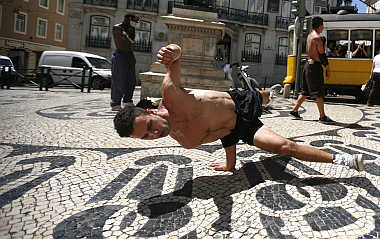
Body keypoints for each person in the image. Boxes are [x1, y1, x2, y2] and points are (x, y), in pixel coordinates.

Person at [113, 44, 365, 172]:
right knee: (284, 147)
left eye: (149, 127)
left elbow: (176, 60)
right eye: (146, 137)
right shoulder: (186, 141)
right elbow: (225, 133)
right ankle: (344, 160)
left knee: (260, 97)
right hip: (241, 126)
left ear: (151, 113)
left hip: (240, 100)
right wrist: (230, 165)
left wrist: (172, 51)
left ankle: (270, 95)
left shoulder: (171, 95)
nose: (153, 134)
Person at [289, 16, 334, 122]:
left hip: (307, 65)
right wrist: (327, 68)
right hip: (315, 67)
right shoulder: (317, 38)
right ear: (320, 25)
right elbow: (322, 55)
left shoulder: (310, 36)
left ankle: (294, 110)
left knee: (305, 91)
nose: (323, 27)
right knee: (319, 92)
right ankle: (322, 116)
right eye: (322, 25)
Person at [110, 14, 139, 111]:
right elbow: (125, 42)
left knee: (131, 79)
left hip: (129, 54)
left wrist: (128, 34)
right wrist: (126, 35)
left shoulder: (132, 29)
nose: (135, 24)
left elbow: (131, 41)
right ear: (128, 19)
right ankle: (115, 102)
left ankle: (127, 100)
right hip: (120, 55)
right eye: (134, 21)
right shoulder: (117, 28)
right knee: (119, 78)